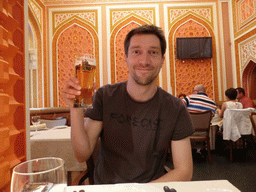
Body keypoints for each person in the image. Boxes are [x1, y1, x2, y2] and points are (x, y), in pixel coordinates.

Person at [62, 25, 194, 184]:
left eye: (153, 52)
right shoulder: (105, 96)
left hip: (150, 189)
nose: (144, 61)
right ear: (126, 58)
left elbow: (184, 171)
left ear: (162, 60)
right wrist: (75, 106)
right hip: (108, 188)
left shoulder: (175, 108)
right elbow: (81, 154)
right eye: (136, 51)